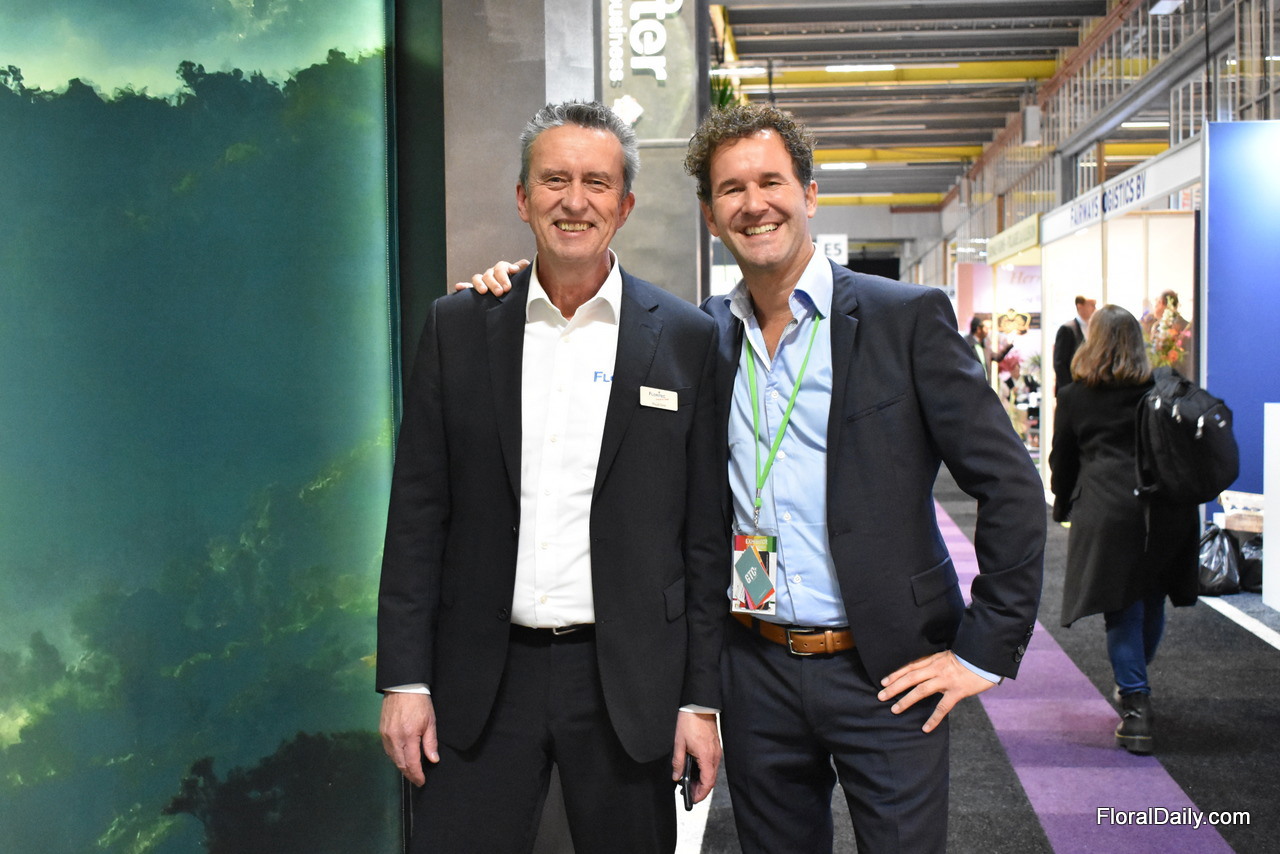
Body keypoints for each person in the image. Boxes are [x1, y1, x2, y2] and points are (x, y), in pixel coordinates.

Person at [470, 103, 1045, 854]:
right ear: (710, 215)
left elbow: (1010, 486)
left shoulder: (903, 319)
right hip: (755, 671)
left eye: (771, 182)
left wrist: (982, 650)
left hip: (888, 668)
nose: (754, 204)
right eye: (731, 190)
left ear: (809, 194)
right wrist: (513, 289)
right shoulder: (697, 336)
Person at [377, 100, 725, 854]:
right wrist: (405, 680)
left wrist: (701, 699)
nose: (575, 201)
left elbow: (703, 538)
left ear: (625, 205)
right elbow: (416, 516)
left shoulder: (686, 339)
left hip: (627, 682)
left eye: (597, 183)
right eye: (554, 180)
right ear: (522, 197)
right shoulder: (459, 326)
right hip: (480, 678)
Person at [1049, 305, 1199, 755]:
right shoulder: (1163, 388)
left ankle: (1136, 707)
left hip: (1108, 512)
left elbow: (1062, 460)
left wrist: (1062, 503)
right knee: (1150, 598)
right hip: (1166, 511)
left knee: (1121, 608)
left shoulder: (1075, 397)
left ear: (1091, 343)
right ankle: (1135, 682)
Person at [1053, 294, 1096, 393]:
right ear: (1080, 306)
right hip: (1071, 387)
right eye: (1092, 305)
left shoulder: (1095, 329)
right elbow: (1060, 363)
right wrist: (1068, 389)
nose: (1094, 309)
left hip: (1089, 388)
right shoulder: (1067, 329)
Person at [963, 315, 1013, 383]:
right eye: (986, 328)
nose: (988, 331)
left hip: (984, 384)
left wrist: (1009, 345)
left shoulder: (983, 345)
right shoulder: (966, 343)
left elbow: (996, 357)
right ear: (979, 329)